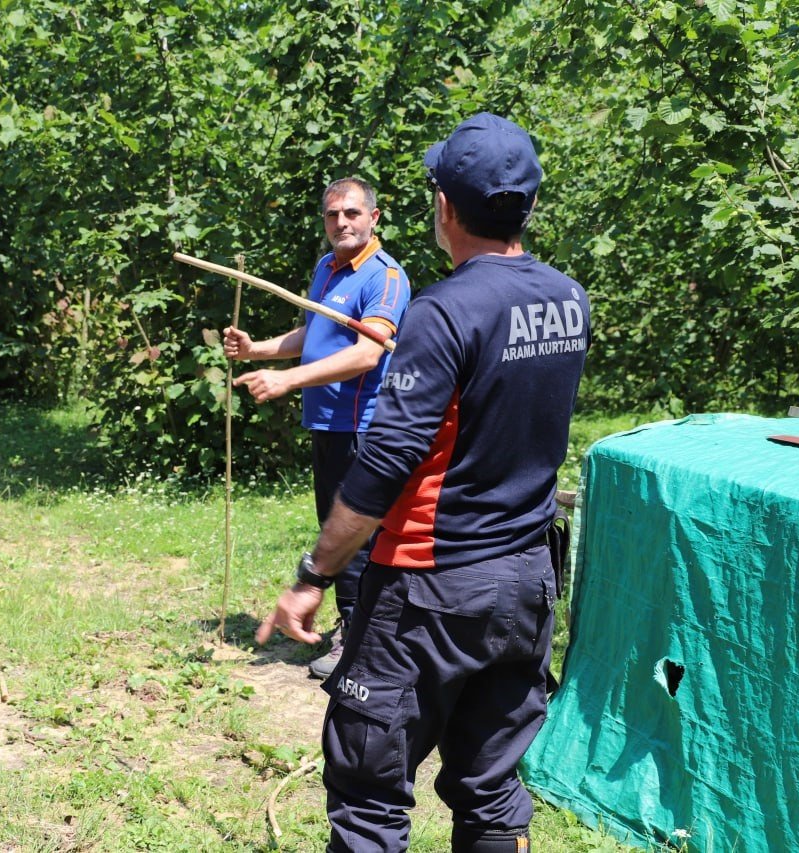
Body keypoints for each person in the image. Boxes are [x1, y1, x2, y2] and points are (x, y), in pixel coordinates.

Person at [255, 113, 591, 852]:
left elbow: (384, 461)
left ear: (444, 208)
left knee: (369, 785)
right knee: (491, 784)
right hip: (527, 581)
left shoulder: (442, 310)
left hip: (429, 588)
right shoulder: (570, 298)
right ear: (527, 203)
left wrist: (314, 571)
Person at [224, 177, 410, 679]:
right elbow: (318, 332)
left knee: (359, 532)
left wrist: (288, 380)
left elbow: (367, 353)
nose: (341, 223)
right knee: (333, 523)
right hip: (326, 422)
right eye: (332, 215)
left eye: (351, 213)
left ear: (374, 217)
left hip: (363, 426)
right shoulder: (327, 268)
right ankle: (353, 626)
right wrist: (258, 349)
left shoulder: (385, 277)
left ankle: (361, 638)